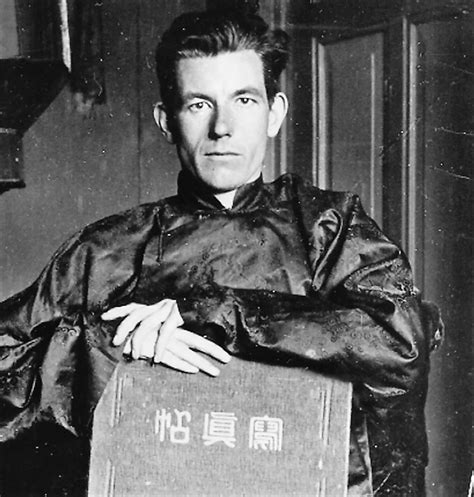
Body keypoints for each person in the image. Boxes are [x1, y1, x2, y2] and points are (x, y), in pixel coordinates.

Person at [0, 7, 442, 497]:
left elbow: (399, 343)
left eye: (244, 100)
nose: (222, 127)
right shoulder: (107, 249)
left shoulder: (328, 228)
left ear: (275, 113)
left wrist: (216, 314)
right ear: (166, 121)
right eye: (198, 105)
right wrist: (105, 345)